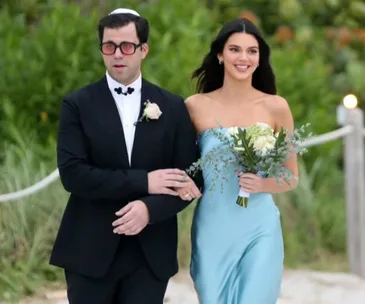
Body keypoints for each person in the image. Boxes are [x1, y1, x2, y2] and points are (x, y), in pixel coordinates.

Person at [49, 8, 201, 304]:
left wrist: (149, 210)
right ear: (102, 49)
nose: (118, 54)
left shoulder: (172, 106)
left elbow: (190, 179)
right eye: (109, 46)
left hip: (150, 253)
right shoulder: (77, 105)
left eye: (127, 46)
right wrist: (144, 182)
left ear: (143, 50)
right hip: (90, 249)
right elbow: (73, 174)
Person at [184, 18, 299, 303]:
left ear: (260, 59)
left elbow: (290, 176)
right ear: (220, 55)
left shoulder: (276, 106)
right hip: (213, 227)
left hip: (260, 228)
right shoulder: (195, 106)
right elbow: (181, 166)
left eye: (252, 51)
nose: (243, 58)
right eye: (235, 50)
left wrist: (261, 184)